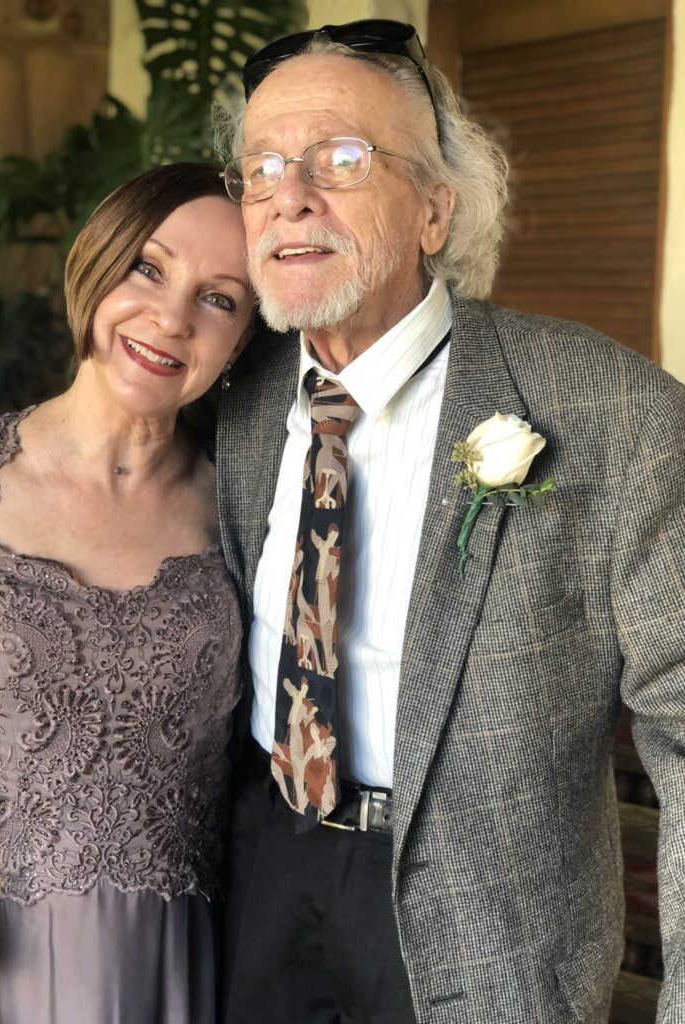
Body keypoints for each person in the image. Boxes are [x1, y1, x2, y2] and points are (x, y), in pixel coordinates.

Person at [213, 19, 685, 1024]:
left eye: (340, 158)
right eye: (260, 166)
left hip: (493, 922)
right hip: (260, 874)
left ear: (434, 209)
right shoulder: (238, 402)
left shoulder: (613, 410)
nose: (289, 193)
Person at [0, 162, 254, 1023]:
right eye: (148, 267)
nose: (172, 318)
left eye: (220, 298)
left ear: (246, 338)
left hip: (168, 973)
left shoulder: (250, 518)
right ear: (95, 266)